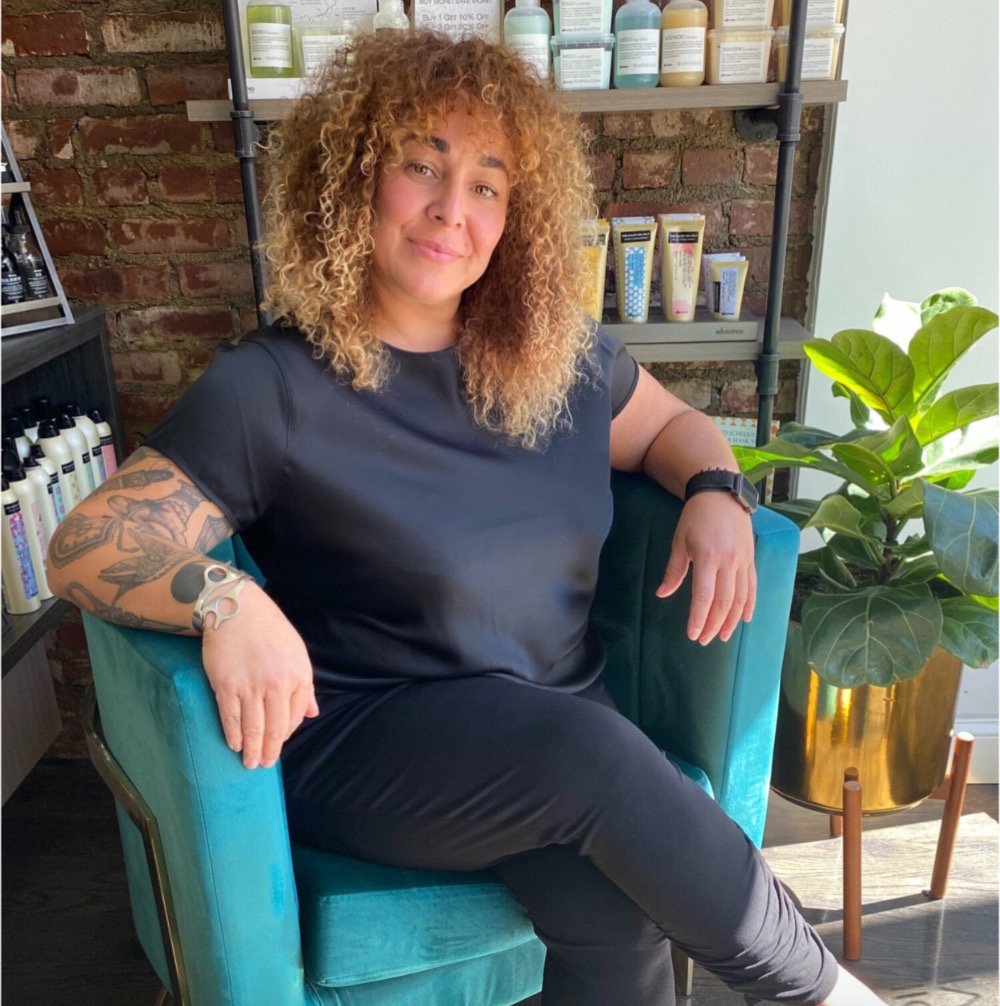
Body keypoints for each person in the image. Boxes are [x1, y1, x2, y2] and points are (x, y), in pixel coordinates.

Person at [48, 29, 885, 1006]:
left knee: (617, 915)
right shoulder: (270, 386)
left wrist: (715, 491)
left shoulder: (557, 356)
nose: (454, 208)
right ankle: (825, 994)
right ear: (353, 180)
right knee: (595, 759)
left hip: (555, 734)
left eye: (487, 183)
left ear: (515, 215)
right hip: (373, 742)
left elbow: (673, 426)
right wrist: (224, 596)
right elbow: (85, 542)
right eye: (421, 166)